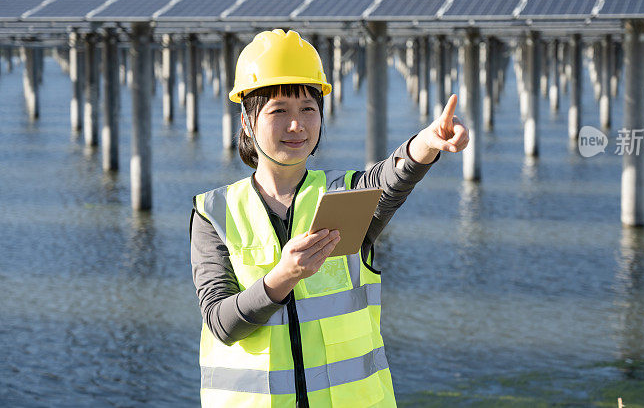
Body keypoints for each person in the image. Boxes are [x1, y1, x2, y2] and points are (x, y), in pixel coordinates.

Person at [190, 29, 469, 407]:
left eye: (308, 108)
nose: (297, 125)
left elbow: (390, 180)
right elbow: (220, 322)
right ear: (247, 121)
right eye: (279, 111)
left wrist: (424, 144)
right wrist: (281, 278)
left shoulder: (345, 195)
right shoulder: (214, 212)